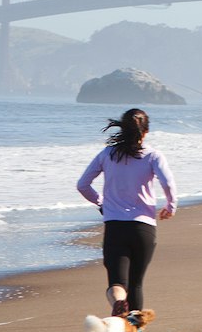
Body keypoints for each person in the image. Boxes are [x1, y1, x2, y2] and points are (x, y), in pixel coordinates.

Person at [75, 108, 176, 316]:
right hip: (144, 227)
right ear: (145, 132)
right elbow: (167, 183)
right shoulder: (153, 156)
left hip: (115, 225)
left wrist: (102, 203)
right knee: (137, 284)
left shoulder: (106, 154)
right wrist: (170, 206)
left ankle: (119, 302)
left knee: (118, 282)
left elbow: (83, 185)